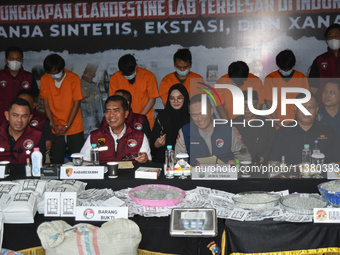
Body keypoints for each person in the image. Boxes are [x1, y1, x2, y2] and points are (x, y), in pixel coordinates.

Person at [175, 94, 251, 166]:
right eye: (194, 115)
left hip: (225, 177)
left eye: (203, 113)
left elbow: (245, 157)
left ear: (212, 110)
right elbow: (177, 160)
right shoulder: (185, 131)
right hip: (196, 177)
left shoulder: (228, 130)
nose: (199, 119)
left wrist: (237, 163)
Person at [268, 94, 340, 165]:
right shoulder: (283, 133)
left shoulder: (329, 132)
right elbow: (272, 162)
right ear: (295, 109)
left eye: (311, 107)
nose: (306, 111)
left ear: (317, 109)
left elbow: (338, 161)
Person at [40, 54, 84, 164]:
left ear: (62, 68)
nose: (54, 75)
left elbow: (76, 103)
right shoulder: (45, 79)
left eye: (56, 72)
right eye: (51, 73)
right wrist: (52, 124)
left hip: (74, 125)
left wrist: (67, 125)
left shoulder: (73, 78)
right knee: (57, 160)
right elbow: (46, 104)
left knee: (77, 160)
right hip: (55, 127)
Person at [80, 95, 151, 163]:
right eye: (108, 111)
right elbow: (84, 160)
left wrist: (144, 159)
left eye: (116, 110)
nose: (111, 115)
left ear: (126, 114)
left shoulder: (139, 136)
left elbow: (148, 161)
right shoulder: (95, 136)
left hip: (130, 174)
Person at [109, 54, 159, 129]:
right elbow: (114, 102)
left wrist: (138, 118)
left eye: (131, 73)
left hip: (144, 118)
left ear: (136, 66)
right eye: (126, 74)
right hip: (123, 121)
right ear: (121, 71)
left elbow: (152, 100)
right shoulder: (115, 78)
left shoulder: (148, 76)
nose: (129, 76)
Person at [264, 49, 309, 128]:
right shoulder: (270, 78)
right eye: (284, 68)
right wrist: (277, 121)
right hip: (276, 123)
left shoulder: (301, 78)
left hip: (297, 122)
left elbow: (306, 102)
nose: (286, 71)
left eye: (288, 68)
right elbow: (269, 102)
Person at [232, 91, 276, 164]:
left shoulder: (267, 124)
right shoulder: (232, 124)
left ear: (258, 105)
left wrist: (264, 157)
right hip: (238, 165)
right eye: (244, 105)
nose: (247, 108)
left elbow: (273, 146)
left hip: (261, 165)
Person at [151, 84, 190, 163]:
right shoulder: (162, 116)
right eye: (172, 98)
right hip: (163, 161)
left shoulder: (192, 117)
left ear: (185, 98)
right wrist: (156, 144)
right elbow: (152, 145)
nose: (176, 101)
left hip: (186, 162)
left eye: (179, 98)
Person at [0, 46, 39, 125]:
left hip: (22, 121)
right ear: (6, 60)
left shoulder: (29, 77)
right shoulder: (1, 76)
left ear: (22, 60)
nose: (15, 62)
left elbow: (34, 99)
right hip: (2, 120)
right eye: (12, 59)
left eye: (18, 59)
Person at [0, 98, 45, 163]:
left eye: (24, 116)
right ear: (7, 115)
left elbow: (39, 165)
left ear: (29, 118)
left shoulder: (37, 135)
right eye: (15, 115)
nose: (19, 120)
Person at [309, 23, 340, 101]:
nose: (333, 39)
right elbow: (313, 88)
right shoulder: (319, 60)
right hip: (324, 106)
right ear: (326, 39)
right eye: (330, 36)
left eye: (336, 36)